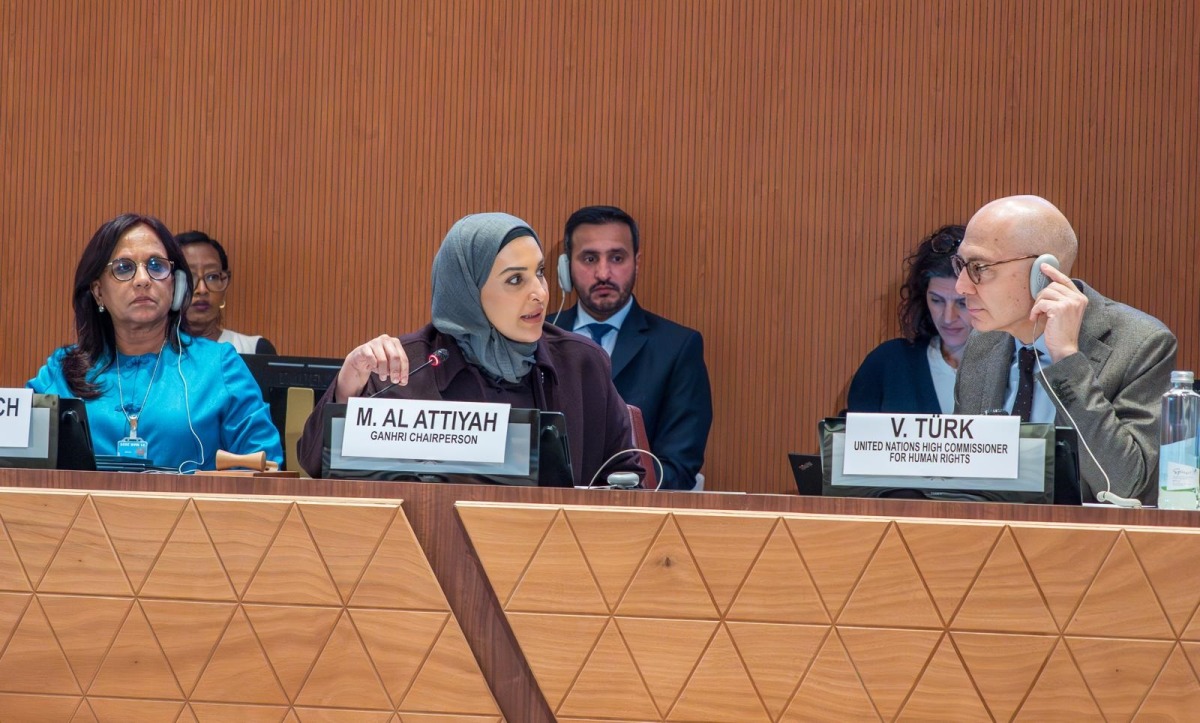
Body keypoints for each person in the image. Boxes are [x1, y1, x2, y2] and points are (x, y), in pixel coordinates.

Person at [297, 212, 639, 486]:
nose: (539, 293)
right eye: (516, 280)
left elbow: (627, 479)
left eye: (540, 273)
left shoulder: (582, 364)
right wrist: (347, 388)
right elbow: (316, 469)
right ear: (467, 292)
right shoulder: (403, 369)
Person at [952, 195, 1175, 504]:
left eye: (979, 267)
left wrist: (1066, 360)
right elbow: (964, 480)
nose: (961, 286)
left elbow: (1125, 488)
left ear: (1042, 273)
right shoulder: (983, 343)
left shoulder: (1141, 344)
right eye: (961, 265)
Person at [28, 214, 283, 471]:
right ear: (98, 291)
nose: (142, 279)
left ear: (176, 286)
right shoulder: (62, 371)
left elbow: (265, 468)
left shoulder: (219, 366)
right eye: (124, 268)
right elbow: (14, 454)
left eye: (156, 266)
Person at [549, 205, 713, 490]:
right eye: (589, 258)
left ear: (636, 262)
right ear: (566, 267)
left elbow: (677, 465)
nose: (603, 273)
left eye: (616, 257)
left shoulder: (677, 348)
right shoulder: (539, 338)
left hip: (639, 514)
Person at [848, 224, 970, 414]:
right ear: (923, 296)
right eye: (936, 301)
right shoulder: (887, 364)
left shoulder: (1016, 365)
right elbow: (849, 440)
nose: (948, 318)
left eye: (962, 303)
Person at [177, 230, 277, 354]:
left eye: (212, 277)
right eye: (189, 277)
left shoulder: (253, 350)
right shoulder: (153, 354)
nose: (202, 290)